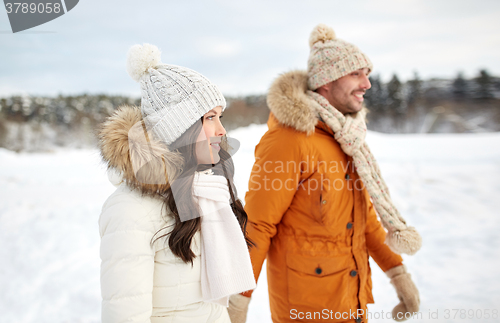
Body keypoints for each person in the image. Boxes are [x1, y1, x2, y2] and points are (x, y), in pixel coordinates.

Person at [227, 24, 422, 323]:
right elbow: (257, 226)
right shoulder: (288, 141)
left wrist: (399, 275)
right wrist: (237, 303)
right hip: (306, 310)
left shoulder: (345, 138)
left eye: (367, 74)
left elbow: (364, 219)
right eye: (356, 73)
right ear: (326, 81)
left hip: (351, 302)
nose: (367, 84)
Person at [98, 43, 256, 323]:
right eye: (210, 118)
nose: (221, 130)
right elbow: (126, 315)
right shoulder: (130, 210)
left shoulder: (207, 191)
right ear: (178, 128)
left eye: (221, 117)